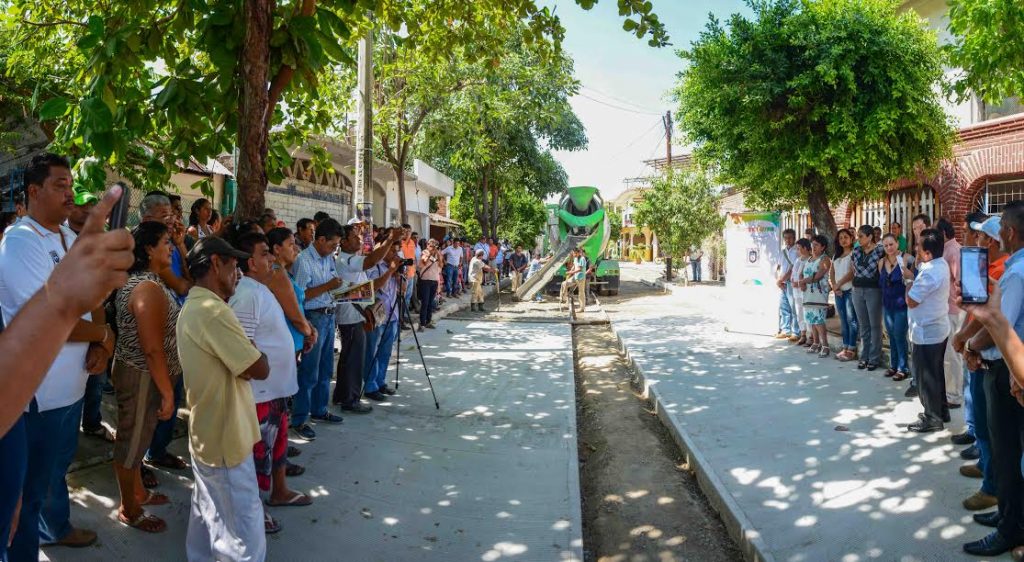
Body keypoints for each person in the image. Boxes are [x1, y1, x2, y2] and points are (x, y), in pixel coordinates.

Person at [0, 185, 132, 560]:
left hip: (69, 389)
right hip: (34, 397)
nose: (71, 194)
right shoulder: (20, 242)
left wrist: (102, 345)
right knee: (24, 493)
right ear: (34, 191)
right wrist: (102, 333)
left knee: (45, 478)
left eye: (74, 186)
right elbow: (51, 317)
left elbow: (93, 302)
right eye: (61, 185)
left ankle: (53, 527)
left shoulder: (72, 238)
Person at [176, 236, 270, 561]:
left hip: (210, 432)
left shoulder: (197, 305)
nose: (240, 273)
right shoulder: (212, 311)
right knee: (241, 533)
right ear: (216, 263)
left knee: (209, 514)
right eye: (234, 265)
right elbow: (257, 367)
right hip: (224, 437)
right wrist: (260, 351)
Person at [229, 233, 313, 533]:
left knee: (276, 448)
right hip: (260, 393)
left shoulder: (261, 289)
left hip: (276, 389)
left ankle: (279, 491)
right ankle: (253, 510)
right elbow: (242, 348)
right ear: (251, 263)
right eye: (266, 254)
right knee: (256, 455)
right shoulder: (247, 293)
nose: (272, 260)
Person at [961, 201, 1024, 556]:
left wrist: (970, 342)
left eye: (999, 231)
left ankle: (1011, 527)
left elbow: (1001, 324)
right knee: (1008, 452)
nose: (995, 237)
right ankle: (1007, 516)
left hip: (1007, 373)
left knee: (1006, 452)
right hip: (1011, 372)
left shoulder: (1016, 273)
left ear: (1010, 233)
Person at [111, 221, 181, 534]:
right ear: (149, 249)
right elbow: (152, 348)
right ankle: (129, 507)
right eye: (166, 241)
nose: (171, 247)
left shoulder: (151, 281)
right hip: (141, 374)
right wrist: (167, 392)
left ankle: (138, 491)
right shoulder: (146, 288)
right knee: (131, 443)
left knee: (138, 440)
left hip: (145, 373)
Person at [951, 212, 1003, 512]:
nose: (977, 241)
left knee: (993, 428)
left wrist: (969, 344)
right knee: (983, 422)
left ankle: (993, 486)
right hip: (979, 352)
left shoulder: (1002, 271)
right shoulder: (989, 267)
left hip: (991, 356)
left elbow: (994, 322)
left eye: (983, 237)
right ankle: (986, 468)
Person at [334, 223, 401, 411]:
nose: (359, 240)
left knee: (348, 358)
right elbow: (372, 268)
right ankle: (351, 400)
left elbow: (368, 288)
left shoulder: (351, 260)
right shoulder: (347, 260)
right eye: (355, 237)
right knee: (355, 360)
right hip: (352, 316)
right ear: (344, 242)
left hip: (356, 315)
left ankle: (342, 395)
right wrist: (389, 240)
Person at [291, 218, 345, 440]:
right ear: (320, 240)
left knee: (325, 370)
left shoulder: (327, 259)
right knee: (308, 372)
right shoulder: (303, 261)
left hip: (328, 314)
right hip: (312, 318)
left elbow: (331, 285)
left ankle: (320, 410)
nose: (335, 249)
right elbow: (299, 297)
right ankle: (299, 419)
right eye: (333, 245)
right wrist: (328, 287)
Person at [906, 228, 952, 433]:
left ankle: (932, 417)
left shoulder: (930, 273)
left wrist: (908, 281)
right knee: (936, 373)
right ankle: (941, 410)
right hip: (937, 327)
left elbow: (912, 300)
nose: (915, 248)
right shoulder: (939, 264)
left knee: (926, 376)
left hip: (927, 331)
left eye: (918, 245)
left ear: (927, 253)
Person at [363, 238, 403, 401]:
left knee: (385, 352)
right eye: (392, 251)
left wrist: (398, 274)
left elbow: (403, 289)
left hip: (392, 314)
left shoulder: (393, 269)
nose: (395, 254)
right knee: (372, 351)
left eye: (396, 251)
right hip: (377, 316)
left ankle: (380, 382)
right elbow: (373, 287)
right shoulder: (374, 267)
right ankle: (370, 385)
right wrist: (390, 271)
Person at [937, 217, 966, 408]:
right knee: (949, 353)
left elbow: (959, 281)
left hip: (954, 309)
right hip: (948, 308)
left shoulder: (953, 250)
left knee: (952, 354)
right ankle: (951, 390)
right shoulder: (947, 249)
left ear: (943, 233)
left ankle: (954, 395)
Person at [851, 225, 885, 370]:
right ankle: (863, 356)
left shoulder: (880, 251)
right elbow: (855, 269)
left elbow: (878, 270)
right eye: (858, 236)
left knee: (875, 325)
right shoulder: (857, 250)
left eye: (861, 236)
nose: (858, 239)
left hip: (873, 290)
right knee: (863, 325)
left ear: (870, 236)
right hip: (857, 289)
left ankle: (874, 358)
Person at [878, 234, 911, 381]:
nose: (889, 248)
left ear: (897, 244)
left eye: (891, 244)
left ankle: (903, 367)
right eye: (886, 245)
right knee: (891, 334)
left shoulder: (907, 258)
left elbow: (912, 279)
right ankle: (894, 364)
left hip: (901, 304)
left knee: (899, 334)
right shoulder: (881, 262)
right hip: (887, 304)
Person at [797, 235, 832, 357]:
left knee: (819, 319)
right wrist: (801, 282)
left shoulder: (825, 259)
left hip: (819, 292)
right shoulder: (809, 259)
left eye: (816, 245)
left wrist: (803, 282)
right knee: (811, 318)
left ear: (823, 247)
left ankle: (825, 345)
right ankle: (816, 343)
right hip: (807, 292)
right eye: (812, 244)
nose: (813, 247)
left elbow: (819, 275)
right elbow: (801, 273)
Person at [830, 228, 859, 361]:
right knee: (843, 321)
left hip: (850, 290)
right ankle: (845, 346)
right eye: (840, 238)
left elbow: (852, 273)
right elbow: (832, 272)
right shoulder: (836, 255)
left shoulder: (854, 253)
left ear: (852, 238)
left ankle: (852, 348)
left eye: (845, 237)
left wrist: (839, 284)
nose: (843, 240)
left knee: (851, 320)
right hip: (838, 292)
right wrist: (834, 287)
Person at [775, 229, 800, 341]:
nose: (788, 240)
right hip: (783, 283)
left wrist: (782, 280)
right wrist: (779, 280)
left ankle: (796, 332)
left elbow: (792, 269)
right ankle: (785, 330)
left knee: (794, 307)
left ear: (794, 238)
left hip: (791, 282)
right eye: (785, 238)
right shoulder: (783, 251)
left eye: (790, 237)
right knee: (784, 307)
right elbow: (779, 267)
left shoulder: (797, 251)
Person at [418, 238, 443, 330]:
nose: (430, 247)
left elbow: (441, 265)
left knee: (430, 303)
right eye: (429, 244)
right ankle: (422, 323)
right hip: (425, 280)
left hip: (434, 280)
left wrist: (437, 255)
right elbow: (423, 262)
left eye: (433, 245)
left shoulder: (438, 254)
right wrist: (430, 255)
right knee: (425, 303)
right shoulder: (425, 252)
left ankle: (428, 321)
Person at [790, 239, 810, 346]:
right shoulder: (798, 260)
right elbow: (793, 273)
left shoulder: (810, 260)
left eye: (799, 248)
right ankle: (803, 334)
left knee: (807, 312)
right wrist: (793, 281)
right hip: (796, 290)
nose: (797, 250)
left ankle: (810, 336)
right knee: (799, 312)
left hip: (805, 290)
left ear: (805, 248)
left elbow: (808, 276)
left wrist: (799, 283)